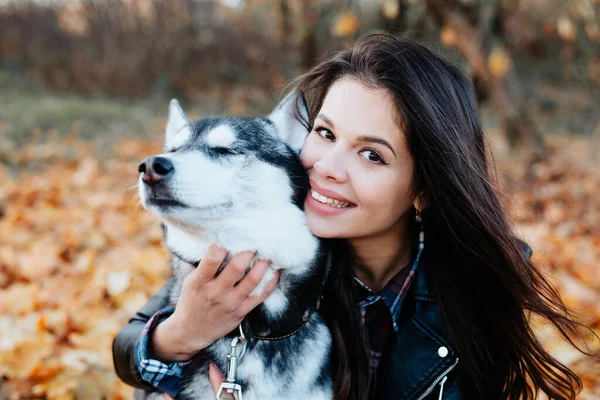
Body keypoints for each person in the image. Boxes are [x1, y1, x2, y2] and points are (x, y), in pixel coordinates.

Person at [112, 34, 587, 400]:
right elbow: (132, 342)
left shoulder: (473, 286)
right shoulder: (273, 244)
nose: (327, 168)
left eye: (372, 156)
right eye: (324, 132)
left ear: (424, 184)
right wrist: (178, 336)